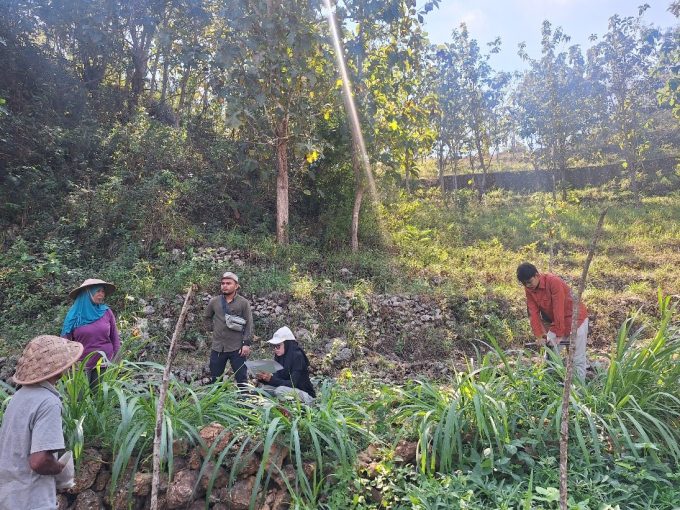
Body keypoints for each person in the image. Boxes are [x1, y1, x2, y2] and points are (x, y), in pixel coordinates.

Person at [0, 335, 82, 510]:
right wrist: (59, 468)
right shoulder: (48, 402)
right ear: (59, 369)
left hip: (9, 497)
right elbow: (39, 461)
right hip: (33, 500)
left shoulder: (18, 397)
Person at [516, 262, 589, 380]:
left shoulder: (553, 282)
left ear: (537, 275)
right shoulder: (529, 288)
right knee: (550, 355)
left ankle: (579, 393)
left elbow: (558, 308)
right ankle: (550, 388)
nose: (527, 286)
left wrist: (559, 334)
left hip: (576, 319)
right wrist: (539, 335)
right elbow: (533, 312)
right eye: (524, 283)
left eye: (529, 282)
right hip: (557, 322)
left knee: (577, 359)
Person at [61, 278, 120, 388]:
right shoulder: (73, 315)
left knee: (100, 399)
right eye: (98, 291)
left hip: (104, 362)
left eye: (103, 291)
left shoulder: (106, 312)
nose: (101, 294)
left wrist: (117, 360)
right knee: (81, 399)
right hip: (81, 364)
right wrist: (67, 364)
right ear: (88, 293)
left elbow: (115, 338)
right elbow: (65, 342)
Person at [203, 271, 253, 386]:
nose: (224, 286)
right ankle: (217, 403)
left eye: (228, 283)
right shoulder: (214, 301)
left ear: (236, 286)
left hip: (237, 347)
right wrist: (212, 328)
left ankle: (244, 402)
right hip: (218, 347)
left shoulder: (243, 303)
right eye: (223, 283)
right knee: (216, 379)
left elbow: (249, 323)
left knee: (242, 379)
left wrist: (246, 343)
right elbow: (206, 317)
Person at [256, 326, 316, 405]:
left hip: (306, 396)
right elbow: (278, 380)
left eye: (278, 346)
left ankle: (289, 411)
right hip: (288, 390)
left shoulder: (298, 356)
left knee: (280, 390)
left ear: (287, 344)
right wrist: (263, 378)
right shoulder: (280, 356)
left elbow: (293, 384)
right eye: (274, 346)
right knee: (262, 389)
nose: (275, 349)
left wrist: (271, 379)